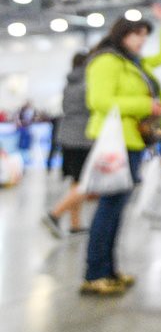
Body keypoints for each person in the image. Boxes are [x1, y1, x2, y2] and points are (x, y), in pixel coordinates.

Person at [82, 5, 161, 295]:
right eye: (136, 35)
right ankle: (94, 273)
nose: (140, 41)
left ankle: (108, 269)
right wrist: (145, 105)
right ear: (122, 33)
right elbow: (99, 101)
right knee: (108, 209)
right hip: (114, 144)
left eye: (145, 37)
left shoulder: (134, 63)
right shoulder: (106, 62)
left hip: (132, 142)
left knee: (116, 210)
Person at [44, 52, 92, 237]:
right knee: (85, 183)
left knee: (76, 180)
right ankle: (55, 214)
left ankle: (75, 223)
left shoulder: (69, 84)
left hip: (67, 136)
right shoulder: (87, 85)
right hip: (83, 138)